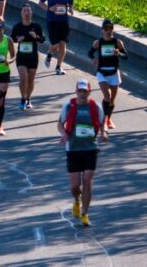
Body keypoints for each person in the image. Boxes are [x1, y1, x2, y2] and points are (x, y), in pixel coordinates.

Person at [57, 79, 107, 227]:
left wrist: (104, 133)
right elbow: (60, 124)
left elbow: (103, 123)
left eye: (85, 91)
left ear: (89, 92)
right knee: (74, 186)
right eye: (80, 91)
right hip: (73, 149)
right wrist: (63, 134)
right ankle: (77, 201)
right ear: (76, 91)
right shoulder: (68, 106)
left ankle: (85, 214)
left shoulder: (95, 106)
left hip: (90, 148)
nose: (82, 93)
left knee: (87, 182)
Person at [89, 19, 127, 130]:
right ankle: (103, 120)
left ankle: (108, 119)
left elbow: (126, 56)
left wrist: (118, 53)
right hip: (102, 73)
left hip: (114, 73)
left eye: (110, 28)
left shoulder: (117, 42)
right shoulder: (98, 42)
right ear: (102, 30)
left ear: (113, 29)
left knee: (111, 101)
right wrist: (94, 58)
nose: (108, 31)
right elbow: (90, 53)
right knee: (107, 96)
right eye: (106, 28)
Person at [39, 0, 74, 75]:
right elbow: (41, 3)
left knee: (63, 44)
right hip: (52, 20)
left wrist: (71, 9)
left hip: (63, 20)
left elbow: (70, 2)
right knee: (56, 45)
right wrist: (50, 8)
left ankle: (58, 67)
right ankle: (50, 53)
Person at [12, 5, 46, 110]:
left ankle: (28, 99)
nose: (26, 13)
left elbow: (42, 40)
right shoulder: (17, 27)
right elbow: (12, 38)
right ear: (21, 14)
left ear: (31, 14)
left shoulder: (36, 26)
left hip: (33, 57)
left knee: (30, 80)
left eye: (28, 11)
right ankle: (22, 99)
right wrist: (18, 39)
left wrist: (36, 37)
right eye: (24, 11)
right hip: (21, 56)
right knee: (23, 78)